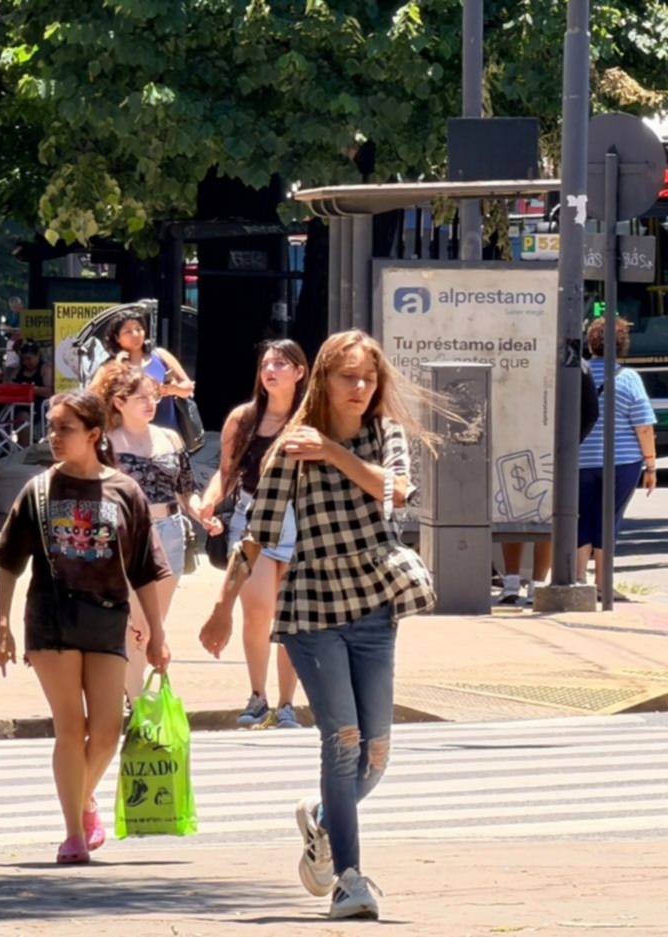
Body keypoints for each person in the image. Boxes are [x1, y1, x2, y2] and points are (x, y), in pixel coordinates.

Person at [198, 330, 436, 921]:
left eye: (368, 377)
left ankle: (324, 817)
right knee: (344, 740)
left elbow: (395, 491)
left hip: (374, 604)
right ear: (324, 380)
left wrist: (332, 451)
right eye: (347, 376)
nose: (360, 387)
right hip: (313, 607)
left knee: (377, 756)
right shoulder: (291, 448)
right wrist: (223, 607)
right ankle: (349, 881)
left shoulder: (384, 434)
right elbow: (256, 534)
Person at [0, 391, 173, 865]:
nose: (54, 436)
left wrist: (157, 633)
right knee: (71, 727)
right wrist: (2, 625)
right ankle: (73, 833)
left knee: (108, 731)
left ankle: (83, 798)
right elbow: (9, 563)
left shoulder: (124, 491)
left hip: (107, 619)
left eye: (65, 428)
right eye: (51, 427)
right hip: (51, 619)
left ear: (94, 435)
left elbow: (145, 569)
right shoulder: (39, 491)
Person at [198, 340, 308, 729]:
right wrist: (209, 501)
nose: (270, 371)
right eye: (265, 365)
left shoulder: (311, 418)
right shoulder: (244, 418)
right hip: (253, 517)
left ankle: (287, 703)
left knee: (290, 615)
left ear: (299, 372)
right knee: (257, 610)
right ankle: (258, 696)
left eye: (280, 364)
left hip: (301, 519)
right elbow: (227, 473)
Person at [92, 362, 218, 702]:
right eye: (142, 398)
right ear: (119, 402)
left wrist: (202, 513)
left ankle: (135, 695)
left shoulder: (170, 438)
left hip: (171, 532)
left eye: (155, 397)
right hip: (128, 535)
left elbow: (185, 491)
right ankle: (134, 700)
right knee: (136, 623)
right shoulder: (105, 443)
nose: (151, 404)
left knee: (154, 625)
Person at [497, 360, 600, 607]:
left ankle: (513, 584)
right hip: (552, 448)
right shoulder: (575, 362)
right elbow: (591, 412)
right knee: (545, 514)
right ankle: (536, 585)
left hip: (516, 443)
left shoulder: (519, 355)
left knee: (516, 510)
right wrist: (571, 442)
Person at [578, 316, 657, 595]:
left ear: (590, 344)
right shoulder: (629, 378)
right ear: (623, 345)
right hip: (621, 463)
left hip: (579, 461)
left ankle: (578, 580)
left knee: (581, 518)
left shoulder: (576, 374)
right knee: (608, 518)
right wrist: (651, 466)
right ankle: (603, 585)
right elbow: (643, 427)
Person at [93, 308, 194, 431]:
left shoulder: (160, 355)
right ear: (117, 337)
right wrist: (117, 368)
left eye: (138, 329)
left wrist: (171, 389)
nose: (135, 334)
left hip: (166, 431)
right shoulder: (110, 366)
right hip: (127, 434)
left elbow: (188, 387)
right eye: (128, 331)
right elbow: (93, 397)